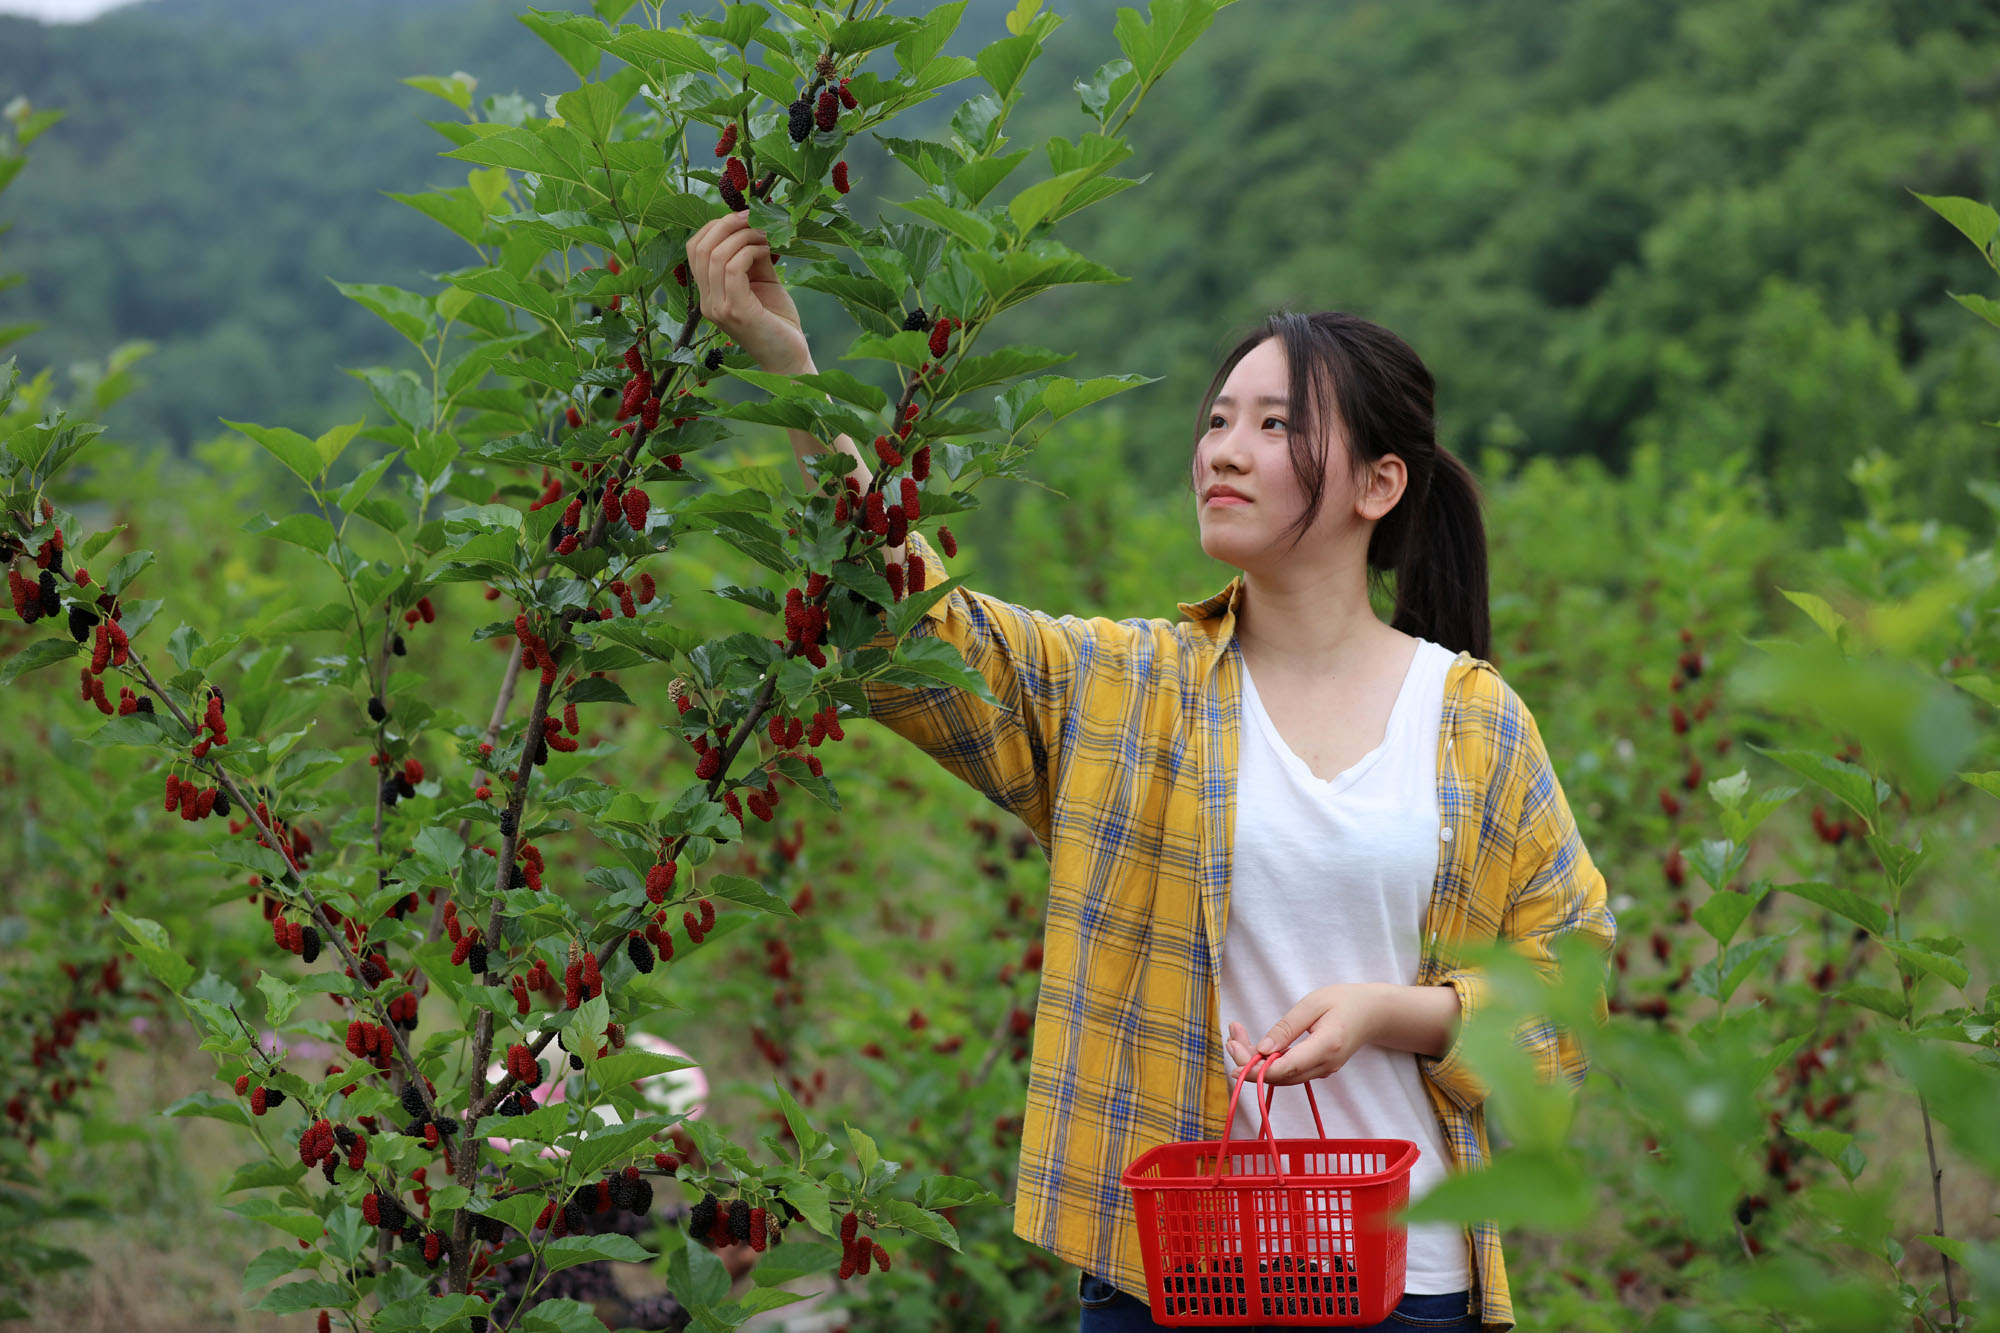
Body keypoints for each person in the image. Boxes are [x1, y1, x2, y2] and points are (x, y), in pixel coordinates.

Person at [686, 212, 1616, 1333]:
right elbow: (913, 635)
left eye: (1274, 426)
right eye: (1218, 419)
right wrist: (796, 376)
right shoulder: (1126, 689)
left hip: (1403, 1281)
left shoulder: (1469, 720)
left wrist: (1390, 1011)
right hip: (1169, 1275)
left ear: (1379, 485)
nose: (1223, 449)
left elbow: (1568, 977)